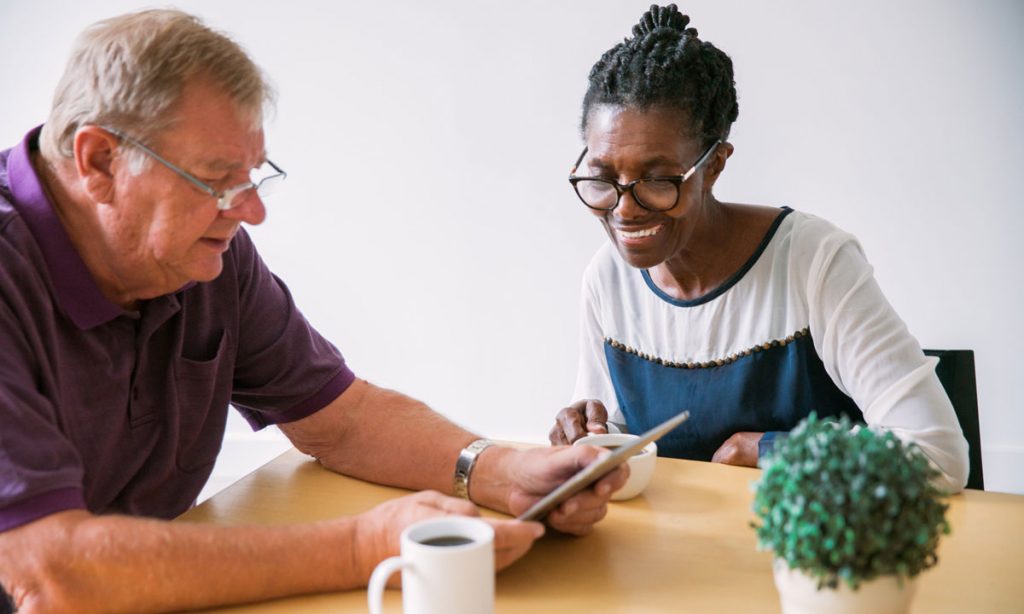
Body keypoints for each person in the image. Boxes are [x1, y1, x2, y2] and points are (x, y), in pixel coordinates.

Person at [0, 9, 628, 613]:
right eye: (218, 180)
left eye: (253, 177)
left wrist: (504, 470)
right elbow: (54, 575)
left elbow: (342, 419)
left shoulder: (200, 254)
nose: (251, 212)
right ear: (100, 161)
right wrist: (363, 546)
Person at [548, 4, 969, 493]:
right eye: (602, 179)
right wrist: (589, 433)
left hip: (812, 558)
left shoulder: (813, 262)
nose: (624, 210)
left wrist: (772, 449)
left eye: (658, 180)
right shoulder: (608, 278)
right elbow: (618, 439)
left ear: (715, 165)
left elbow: (936, 454)